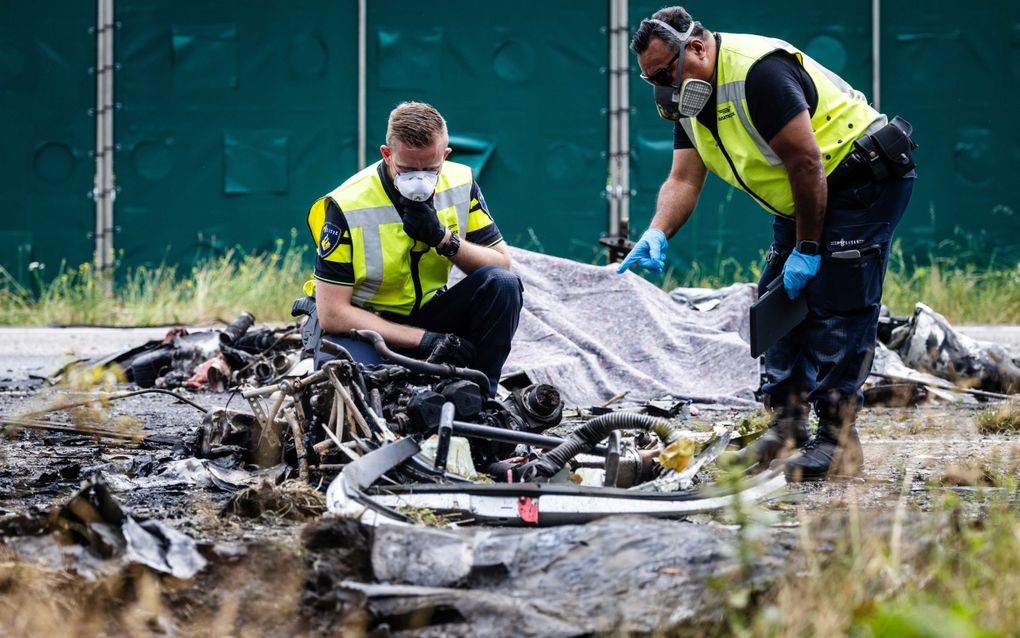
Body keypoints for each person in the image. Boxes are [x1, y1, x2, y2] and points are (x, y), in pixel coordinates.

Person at [619, 7, 916, 481]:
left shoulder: (760, 73)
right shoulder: (690, 100)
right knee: (779, 300)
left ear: (696, 47)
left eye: (664, 73)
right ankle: (787, 427)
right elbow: (683, 180)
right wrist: (657, 230)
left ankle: (839, 443)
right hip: (803, 192)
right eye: (650, 78)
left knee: (838, 302)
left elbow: (806, 162)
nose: (662, 87)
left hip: (860, 176)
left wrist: (812, 247)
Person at [305, 101, 523, 397]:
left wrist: (444, 239)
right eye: (407, 169)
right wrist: (425, 340)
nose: (419, 180)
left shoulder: (460, 182)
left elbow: (501, 264)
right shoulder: (348, 205)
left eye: (431, 169)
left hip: (431, 313)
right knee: (360, 394)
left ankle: (481, 400)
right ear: (387, 154)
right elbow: (333, 314)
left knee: (503, 285)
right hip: (366, 327)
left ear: (445, 155)